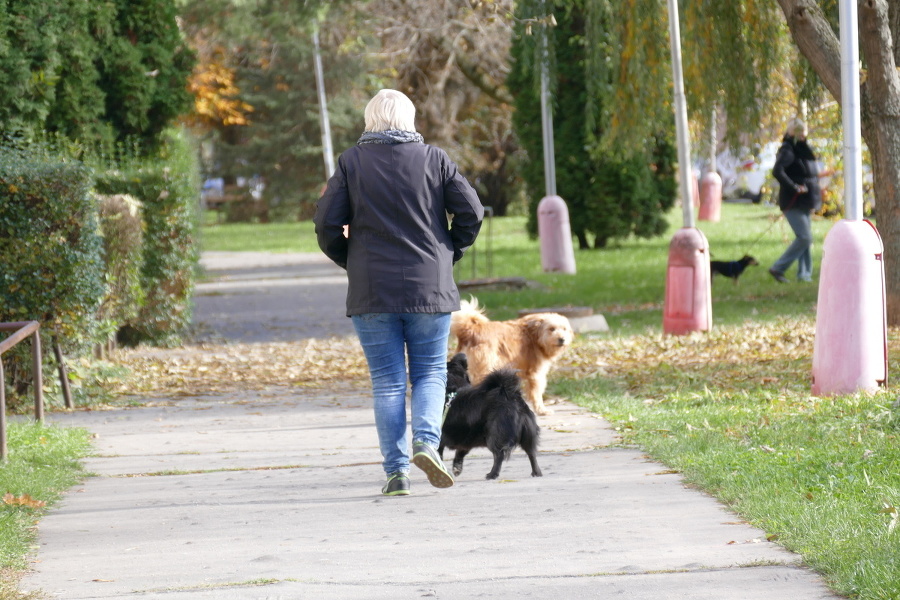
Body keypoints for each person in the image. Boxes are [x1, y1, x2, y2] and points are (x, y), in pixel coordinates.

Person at [314, 89, 484, 496]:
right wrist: (449, 252)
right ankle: (426, 443)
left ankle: (396, 473)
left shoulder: (351, 163)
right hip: (430, 286)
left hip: (372, 291)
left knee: (388, 382)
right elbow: (471, 213)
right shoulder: (435, 159)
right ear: (409, 119)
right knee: (429, 373)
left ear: (371, 119)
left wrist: (349, 260)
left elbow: (325, 225)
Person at [768, 117, 822, 283]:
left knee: (805, 238)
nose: (803, 138)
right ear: (792, 134)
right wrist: (793, 186)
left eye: (804, 135)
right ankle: (778, 268)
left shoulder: (801, 148)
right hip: (793, 201)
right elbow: (777, 170)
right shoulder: (788, 149)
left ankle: (804, 274)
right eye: (799, 135)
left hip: (805, 201)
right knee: (805, 237)